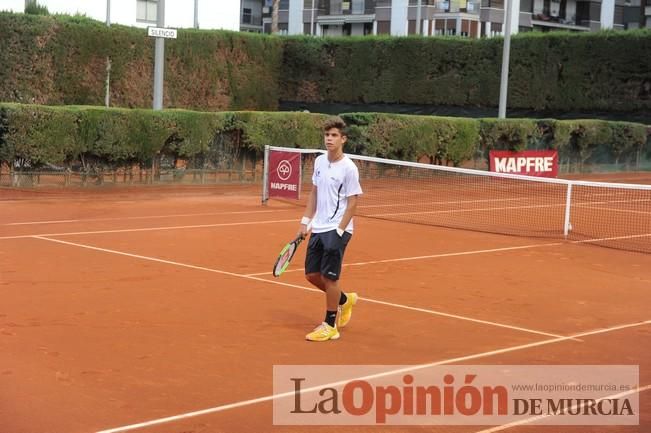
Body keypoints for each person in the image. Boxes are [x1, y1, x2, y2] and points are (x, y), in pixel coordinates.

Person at [298, 117, 363, 342]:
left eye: (334, 135)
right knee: (311, 275)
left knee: (329, 277)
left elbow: (353, 203)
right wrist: (305, 221)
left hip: (338, 229)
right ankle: (345, 300)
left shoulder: (349, 168)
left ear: (343, 139)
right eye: (327, 135)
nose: (329, 139)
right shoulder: (318, 162)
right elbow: (314, 193)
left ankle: (330, 324)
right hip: (319, 226)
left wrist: (339, 231)